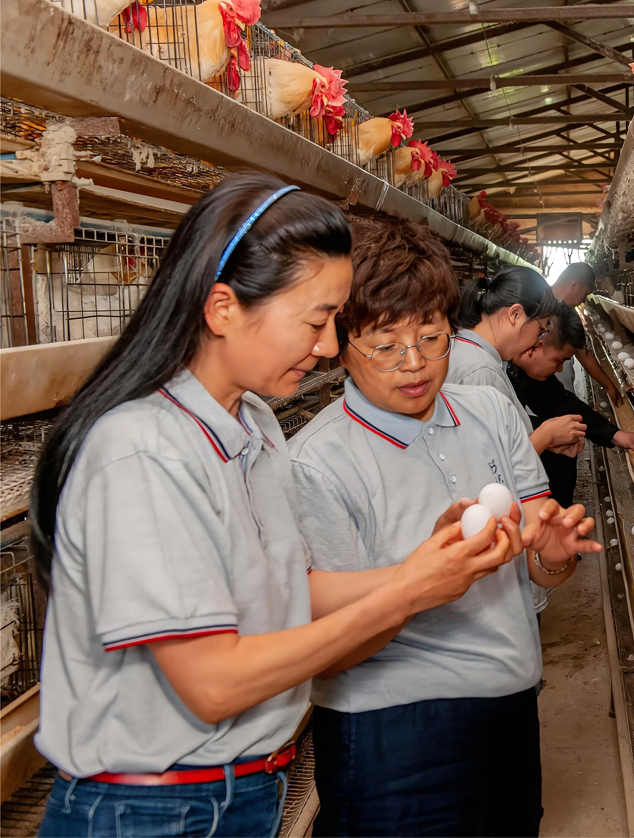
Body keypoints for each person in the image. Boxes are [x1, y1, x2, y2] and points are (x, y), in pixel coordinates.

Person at [28, 175, 522, 838]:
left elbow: (295, 591)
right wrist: (405, 592)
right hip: (147, 812)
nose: (325, 348)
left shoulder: (255, 424)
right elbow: (214, 684)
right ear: (224, 308)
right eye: (317, 322)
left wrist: (434, 566)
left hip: (242, 792)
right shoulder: (143, 450)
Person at [288, 215, 603, 838]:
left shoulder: (489, 410)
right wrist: (425, 578)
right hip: (391, 726)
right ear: (339, 342)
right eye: (385, 345)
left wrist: (554, 551)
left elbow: (540, 563)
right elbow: (333, 645)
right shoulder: (315, 462)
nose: (415, 365)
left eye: (432, 339)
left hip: (508, 700)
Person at [448, 264, 588, 617]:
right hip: (494, 541)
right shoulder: (479, 370)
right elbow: (486, 468)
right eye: (541, 331)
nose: (538, 343)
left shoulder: (481, 358)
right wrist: (542, 437)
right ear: (514, 315)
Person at [509, 303, 634, 507]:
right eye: (559, 361)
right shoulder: (485, 373)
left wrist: (615, 435)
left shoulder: (521, 370)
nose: (559, 370)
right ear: (538, 342)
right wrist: (545, 435)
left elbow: (561, 403)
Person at [551, 261, 622, 406]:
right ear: (574, 285)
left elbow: (583, 353)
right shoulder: (541, 307)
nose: (583, 301)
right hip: (543, 400)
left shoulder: (567, 312)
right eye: (585, 294)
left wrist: (608, 385)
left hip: (562, 395)